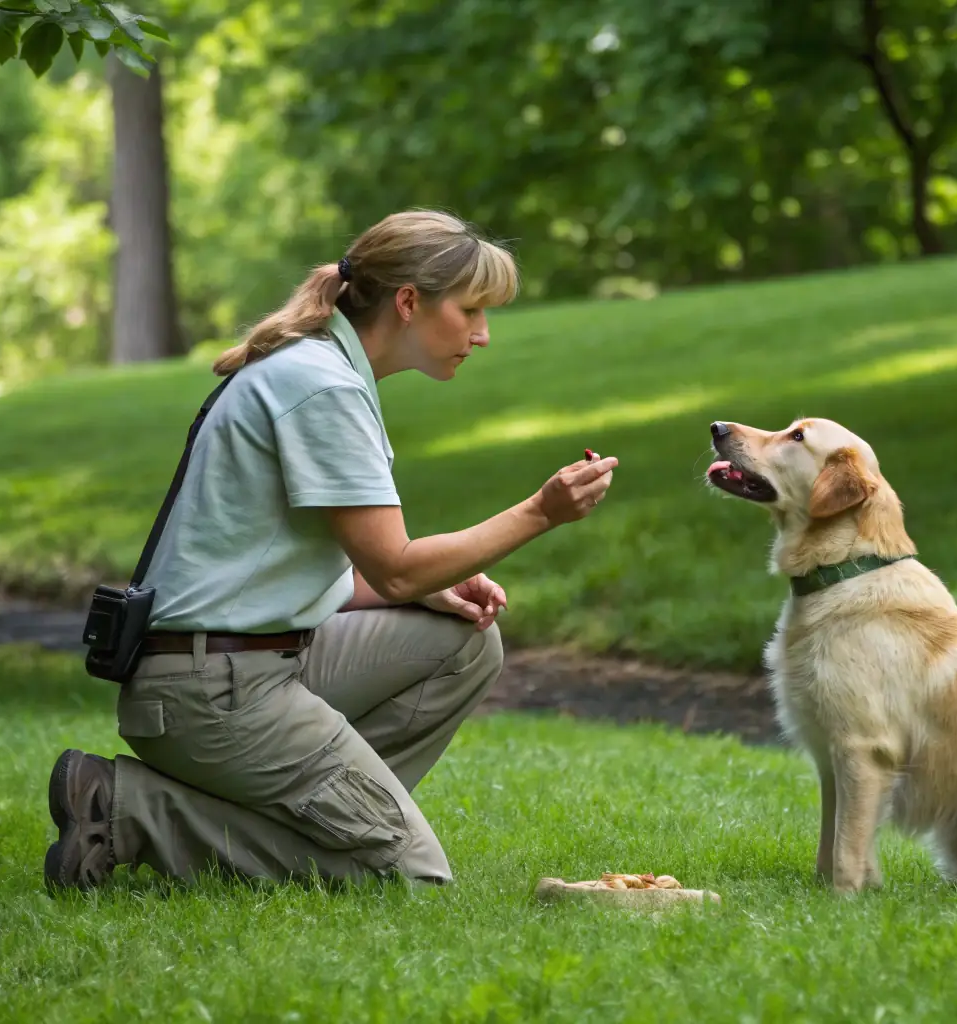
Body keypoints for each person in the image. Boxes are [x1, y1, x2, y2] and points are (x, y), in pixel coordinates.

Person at [44, 209, 618, 891]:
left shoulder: (319, 368)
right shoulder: (319, 384)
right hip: (211, 693)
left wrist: (431, 589)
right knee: (408, 875)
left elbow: (308, 572)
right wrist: (539, 512)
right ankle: (131, 811)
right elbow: (397, 566)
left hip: (239, 668)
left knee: (464, 642)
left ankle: (329, 817)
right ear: (409, 302)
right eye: (470, 311)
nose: (482, 334)